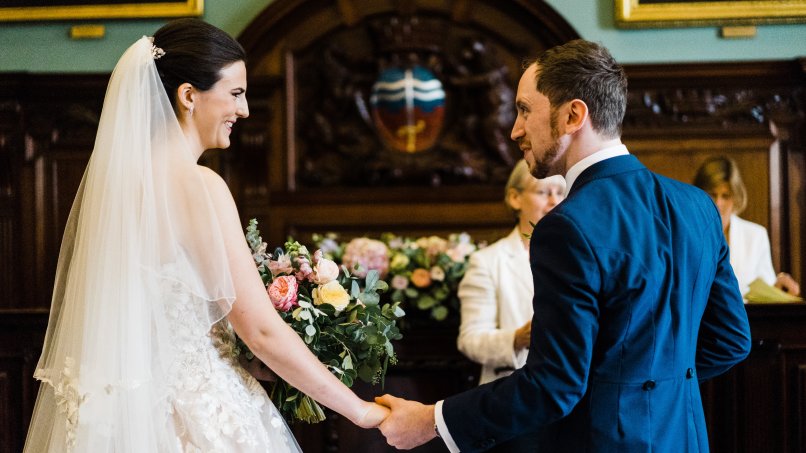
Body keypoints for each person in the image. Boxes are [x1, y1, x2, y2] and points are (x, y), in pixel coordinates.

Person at [23, 19, 387, 452]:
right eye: (235, 93)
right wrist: (360, 411)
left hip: (121, 413)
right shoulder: (200, 187)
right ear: (189, 96)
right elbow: (261, 331)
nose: (244, 110)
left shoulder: (113, 190)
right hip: (197, 414)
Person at [376, 39, 752, 452]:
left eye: (525, 110)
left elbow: (554, 385)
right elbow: (730, 341)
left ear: (573, 115)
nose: (515, 130)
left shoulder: (567, 227)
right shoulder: (697, 206)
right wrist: (649, 391)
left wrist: (432, 420)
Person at [457, 160, 564, 387]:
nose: (554, 201)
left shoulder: (580, 256)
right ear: (515, 198)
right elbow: (470, 339)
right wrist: (516, 339)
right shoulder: (488, 262)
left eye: (560, 193)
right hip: (512, 388)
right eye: (543, 192)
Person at [693, 156, 800, 297]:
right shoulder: (687, 233)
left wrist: (779, 289)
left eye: (725, 196)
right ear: (699, 195)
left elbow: (766, 294)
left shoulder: (755, 236)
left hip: (745, 311)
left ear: (735, 197)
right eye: (712, 195)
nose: (718, 203)